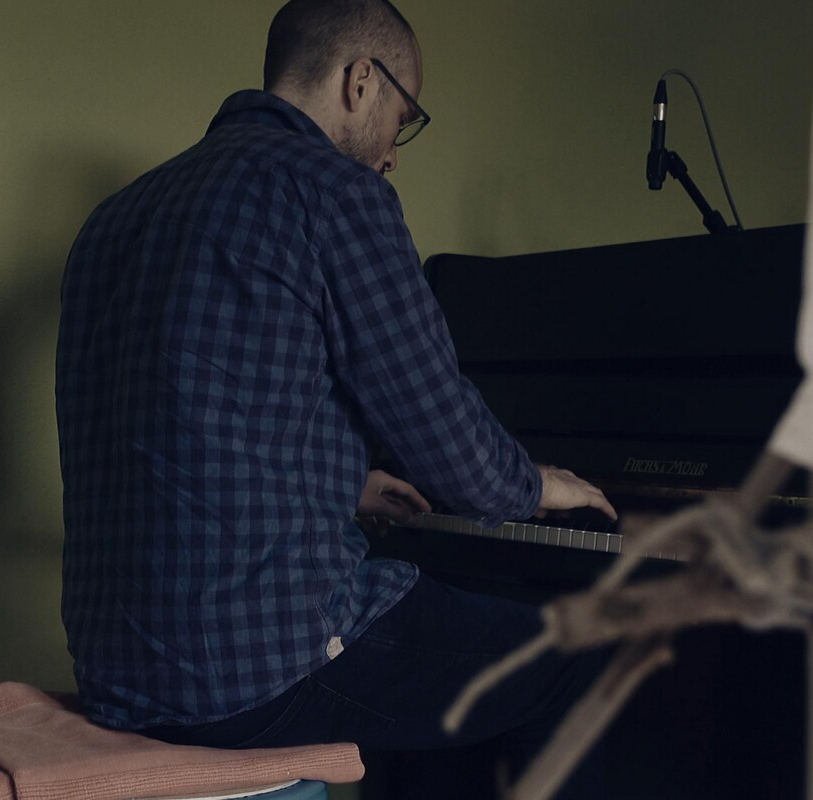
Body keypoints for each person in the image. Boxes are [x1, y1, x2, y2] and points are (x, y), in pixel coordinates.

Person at [55, 0, 617, 795]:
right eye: (404, 115)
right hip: (247, 673)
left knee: (439, 654)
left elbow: (164, 427)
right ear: (361, 81)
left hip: (121, 671)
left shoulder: (112, 221)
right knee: (579, 658)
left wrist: (342, 484)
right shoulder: (333, 193)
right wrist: (538, 483)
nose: (394, 151)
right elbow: (450, 444)